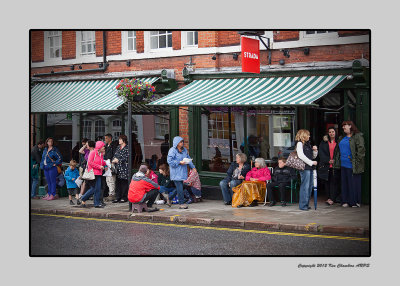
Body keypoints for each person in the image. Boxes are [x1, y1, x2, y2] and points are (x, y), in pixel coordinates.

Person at [333, 121, 365, 208]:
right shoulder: (341, 137)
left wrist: (356, 162)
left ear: (350, 126)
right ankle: (345, 201)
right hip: (342, 164)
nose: (343, 128)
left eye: (345, 126)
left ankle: (354, 202)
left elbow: (361, 151)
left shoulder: (357, 136)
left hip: (352, 165)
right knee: (344, 183)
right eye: (343, 126)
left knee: (353, 184)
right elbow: (337, 150)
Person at [167, 136, 196, 209]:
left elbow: (188, 159)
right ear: (176, 143)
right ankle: (181, 203)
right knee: (180, 187)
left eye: (182, 142)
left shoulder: (184, 150)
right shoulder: (172, 150)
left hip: (182, 172)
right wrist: (179, 162)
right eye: (180, 142)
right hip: (175, 172)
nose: (182, 143)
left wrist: (193, 167)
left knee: (180, 187)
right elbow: (169, 161)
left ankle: (169, 198)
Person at [78, 141, 107, 208]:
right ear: (99, 147)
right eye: (103, 146)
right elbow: (90, 162)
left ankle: (93, 202)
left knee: (97, 188)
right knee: (95, 188)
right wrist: (99, 167)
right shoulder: (93, 152)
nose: (104, 147)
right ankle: (87, 199)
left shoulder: (100, 154)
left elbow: (102, 162)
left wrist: (107, 164)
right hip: (93, 173)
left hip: (99, 173)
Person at [295, 129, 318, 211]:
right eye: (308, 135)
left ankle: (306, 204)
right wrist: (311, 162)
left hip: (309, 167)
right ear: (303, 135)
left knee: (309, 186)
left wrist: (315, 151)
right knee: (305, 186)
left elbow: (313, 156)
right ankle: (303, 205)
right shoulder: (299, 144)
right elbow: (301, 156)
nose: (309, 136)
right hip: (305, 168)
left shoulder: (308, 144)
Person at [318, 127, 340, 205]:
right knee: (327, 183)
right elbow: (321, 153)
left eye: (333, 132)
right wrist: (328, 160)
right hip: (326, 166)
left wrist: (335, 160)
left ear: (335, 132)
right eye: (330, 132)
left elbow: (340, 153)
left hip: (336, 166)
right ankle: (329, 198)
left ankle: (333, 198)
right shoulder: (324, 142)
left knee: (334, 182)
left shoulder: (339, 141)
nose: (331, 133)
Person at [112, 134, 129, 203]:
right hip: (118, 167)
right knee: (118, 183)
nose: (119, 141)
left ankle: (124, 197)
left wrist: (119, 160)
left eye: (120, 139)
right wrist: (113, 160)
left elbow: (127, 157)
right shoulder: (118, 147)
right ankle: (118, 197)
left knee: (124, 183)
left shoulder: (127, 148)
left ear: (123, 140)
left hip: (124, 167)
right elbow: (115, 155)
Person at [103, 134, 117, 202]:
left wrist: (111, 162)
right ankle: (110, 193)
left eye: (106, 138)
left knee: (111, 179)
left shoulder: (113, 146)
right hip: (106, 163)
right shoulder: (106, 146)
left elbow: (114, 154)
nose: (105, 140)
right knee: (107, 180)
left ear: (110, 138)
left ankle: (112, 194)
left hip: (111, 163)